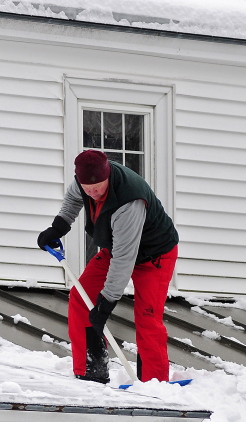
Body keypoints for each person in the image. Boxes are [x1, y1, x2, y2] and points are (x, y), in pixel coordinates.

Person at [37, 150, 178, 383]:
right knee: (81, 297)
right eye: (87, 187)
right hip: (116, 249)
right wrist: (59, 227)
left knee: (147, 316)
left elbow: (124, 258)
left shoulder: (129, 201)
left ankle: (154, 384)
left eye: (97, 187)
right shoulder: (83, 182)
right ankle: (91, 371)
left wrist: (107, 302)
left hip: (155, 256)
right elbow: (74, 199)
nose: (91, 192)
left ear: (108, 176)